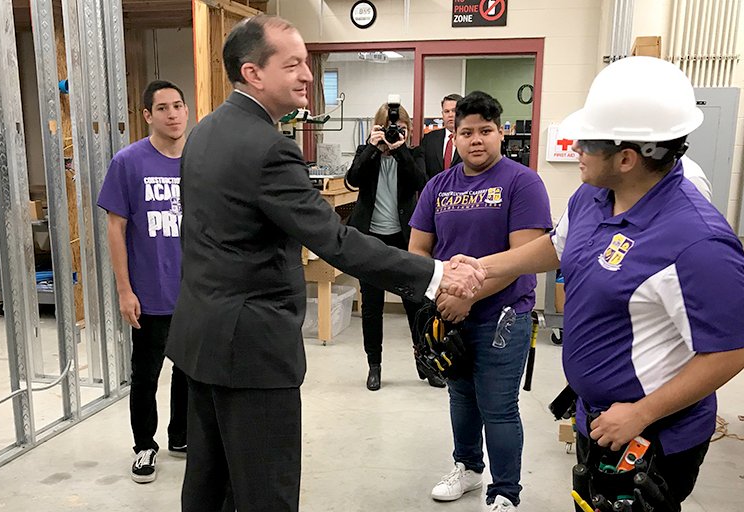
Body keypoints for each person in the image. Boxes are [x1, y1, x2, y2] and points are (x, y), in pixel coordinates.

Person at [166, 15, 484, 512]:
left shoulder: (205, 131)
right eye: (292, 64)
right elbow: (336, 241)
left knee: (209, 486)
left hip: (202, 339)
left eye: (307, 64)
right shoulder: (270, 147)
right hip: (251, 350)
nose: (308, 75)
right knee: (265, 491)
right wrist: (437, 273)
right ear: (253, 73)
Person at [464, 57, 744, 511]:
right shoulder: (592, 196)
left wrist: (642, 412)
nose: (574, 145)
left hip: (652, 436)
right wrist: (484, 268)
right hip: (598, 420)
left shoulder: (697, 241)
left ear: (626, 158)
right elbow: (557, 249)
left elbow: (733, 350)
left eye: (587, 142)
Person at [410, 91, 552, 512]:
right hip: (448, 313)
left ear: (501, 134)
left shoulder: (522, 182)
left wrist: (467, 298)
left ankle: (505, 492)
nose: (476, 140)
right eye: (466, 131)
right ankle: (469, 469)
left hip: (502, 315)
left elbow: (521, 256)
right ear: (454, 136)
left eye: (486, 131)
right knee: (461, 398)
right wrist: (442, 297)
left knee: (499, 407)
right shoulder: (438, 185)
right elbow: (417, 250)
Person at [97, 80, 190, 483]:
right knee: (146, 375)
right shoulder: (129, 161)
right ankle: (144, 447)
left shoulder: (198, 161)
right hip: (150, 292)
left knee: (190, 371)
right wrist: (124, 289)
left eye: (178, 106)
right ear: (148, 115)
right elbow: (115, 228)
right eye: (163, 108)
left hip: (193, 291)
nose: (173, 114)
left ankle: (183, 437)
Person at [345, 102, 447, 390]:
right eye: (390, 129)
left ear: (409, 130)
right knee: (371, 307)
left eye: (401, 130)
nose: (394, 134)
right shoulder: (368, 154)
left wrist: (400, 149)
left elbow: (421, 182)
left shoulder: (414, 153)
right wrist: (372, 149)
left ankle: (425, 363)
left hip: (404, 239)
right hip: (370, 239)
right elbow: (353, 180)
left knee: (416, 304)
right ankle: (374, 366)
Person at [420, 93, 463, 179]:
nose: (450, 115)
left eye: (454, 111)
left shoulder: (470, 139)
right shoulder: (429, 139)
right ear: (442, 114)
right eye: (446, 111)